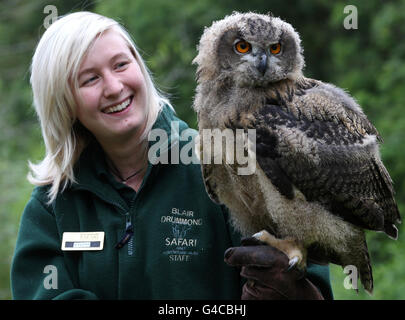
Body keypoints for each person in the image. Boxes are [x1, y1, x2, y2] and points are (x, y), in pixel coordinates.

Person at [10, 11, 333, 300]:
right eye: (90, 79)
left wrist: (296, 291)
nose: (114, 86)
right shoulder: (52, 209)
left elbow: (311, 282)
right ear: (63, 103)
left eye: (121, 64)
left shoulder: (228, 163)